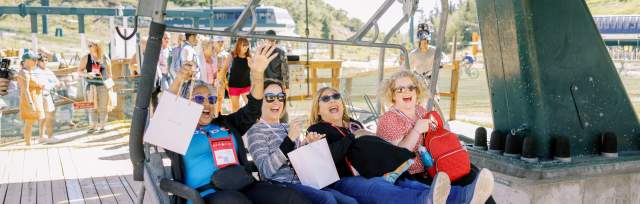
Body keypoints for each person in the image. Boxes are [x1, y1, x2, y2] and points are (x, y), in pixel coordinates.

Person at [166, 45, 310, 204]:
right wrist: (179, 80)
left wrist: (258, 74)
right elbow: (164, 116)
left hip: (244, 186)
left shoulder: (226, 124)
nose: (207, 104)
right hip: (206, 195)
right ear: (186, 102)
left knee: (291, 198)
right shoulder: (179, 129)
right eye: (199, 99)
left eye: (212, 99)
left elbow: (253, 108)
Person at [306, 86, 455, 204]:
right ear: (318, 109)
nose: (332, 100)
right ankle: (426, 201)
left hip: (376, 169)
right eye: (325, 98)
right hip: (345, 179)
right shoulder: (317, 130)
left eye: (336, 96)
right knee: (379, 188)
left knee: (411, 184)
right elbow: (328, 159)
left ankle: (463, 195)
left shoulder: (354, 124)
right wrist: (352, 136)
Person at [376, 70, 494, 204]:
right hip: (412, 175)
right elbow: (397, 156)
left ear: (417, 91)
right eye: (400, 89)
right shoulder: (389, 119)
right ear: (392, 95)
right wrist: (416, 131)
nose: (406, 92)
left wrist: (453, 148)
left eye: (411, 88)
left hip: (436, 165)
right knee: (462, 183)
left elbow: (436, 138)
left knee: (471, 174)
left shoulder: (420, 111)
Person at [246, 80, 358, 204]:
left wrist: (308, 143)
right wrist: (289, 140)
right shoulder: (255, 131)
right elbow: (265, 171)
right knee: (326, 199)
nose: (277, 101)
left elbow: (298, 159)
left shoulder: (287, 127)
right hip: (281, 186)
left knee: (349, 201)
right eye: (270, 97)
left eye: (280, 97)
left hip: (306, 181)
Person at [78, 40, 113, 133]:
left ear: (97, 46)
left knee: (103, 106)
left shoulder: (104, 57)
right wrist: (87, 74)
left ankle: (103, 126)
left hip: (103, 85)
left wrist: (111, 86)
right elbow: (79, 71)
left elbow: (110, 72)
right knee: (92, 107)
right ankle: (93, 126)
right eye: (88, 45)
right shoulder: (85, 57)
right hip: (91, 85)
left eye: (91, 45)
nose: (89, 47)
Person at [17, 51, 45, 146]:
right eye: (34, 59)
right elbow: (25, 90)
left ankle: (33, 141)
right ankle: (28, 144)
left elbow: (34, 84)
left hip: (35, 99)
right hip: (29, 100)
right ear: (27, 60)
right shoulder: (24, 72)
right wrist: (31, 104)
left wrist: (40, 86)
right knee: (29, 122)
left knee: (36, 120)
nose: (36, 61)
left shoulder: (30, 71)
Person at [36, 55, 61, 143]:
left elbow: (56, 81)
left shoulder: (48, 70)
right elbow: (42, 85)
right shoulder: (37, 71)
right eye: (42, 60)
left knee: (46, 117)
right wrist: (54, 85)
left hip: (50, 95)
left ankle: (42, 137)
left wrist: (56, 84)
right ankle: (50, 137)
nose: (45, 62)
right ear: (38, 62)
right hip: (43, 95)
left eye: (46, 60)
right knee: (48, 116)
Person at [228, 38, 252, 112]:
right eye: (244, 45)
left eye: (247, 45)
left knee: (250, 106)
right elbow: (224, 69)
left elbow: (254, 71)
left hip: (246, 86)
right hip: (233, 86)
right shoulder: (232, 55)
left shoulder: (249, 57)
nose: (246, 47)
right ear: (238, 45)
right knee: (235, 108)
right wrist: (222, 81)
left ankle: (250, 122)